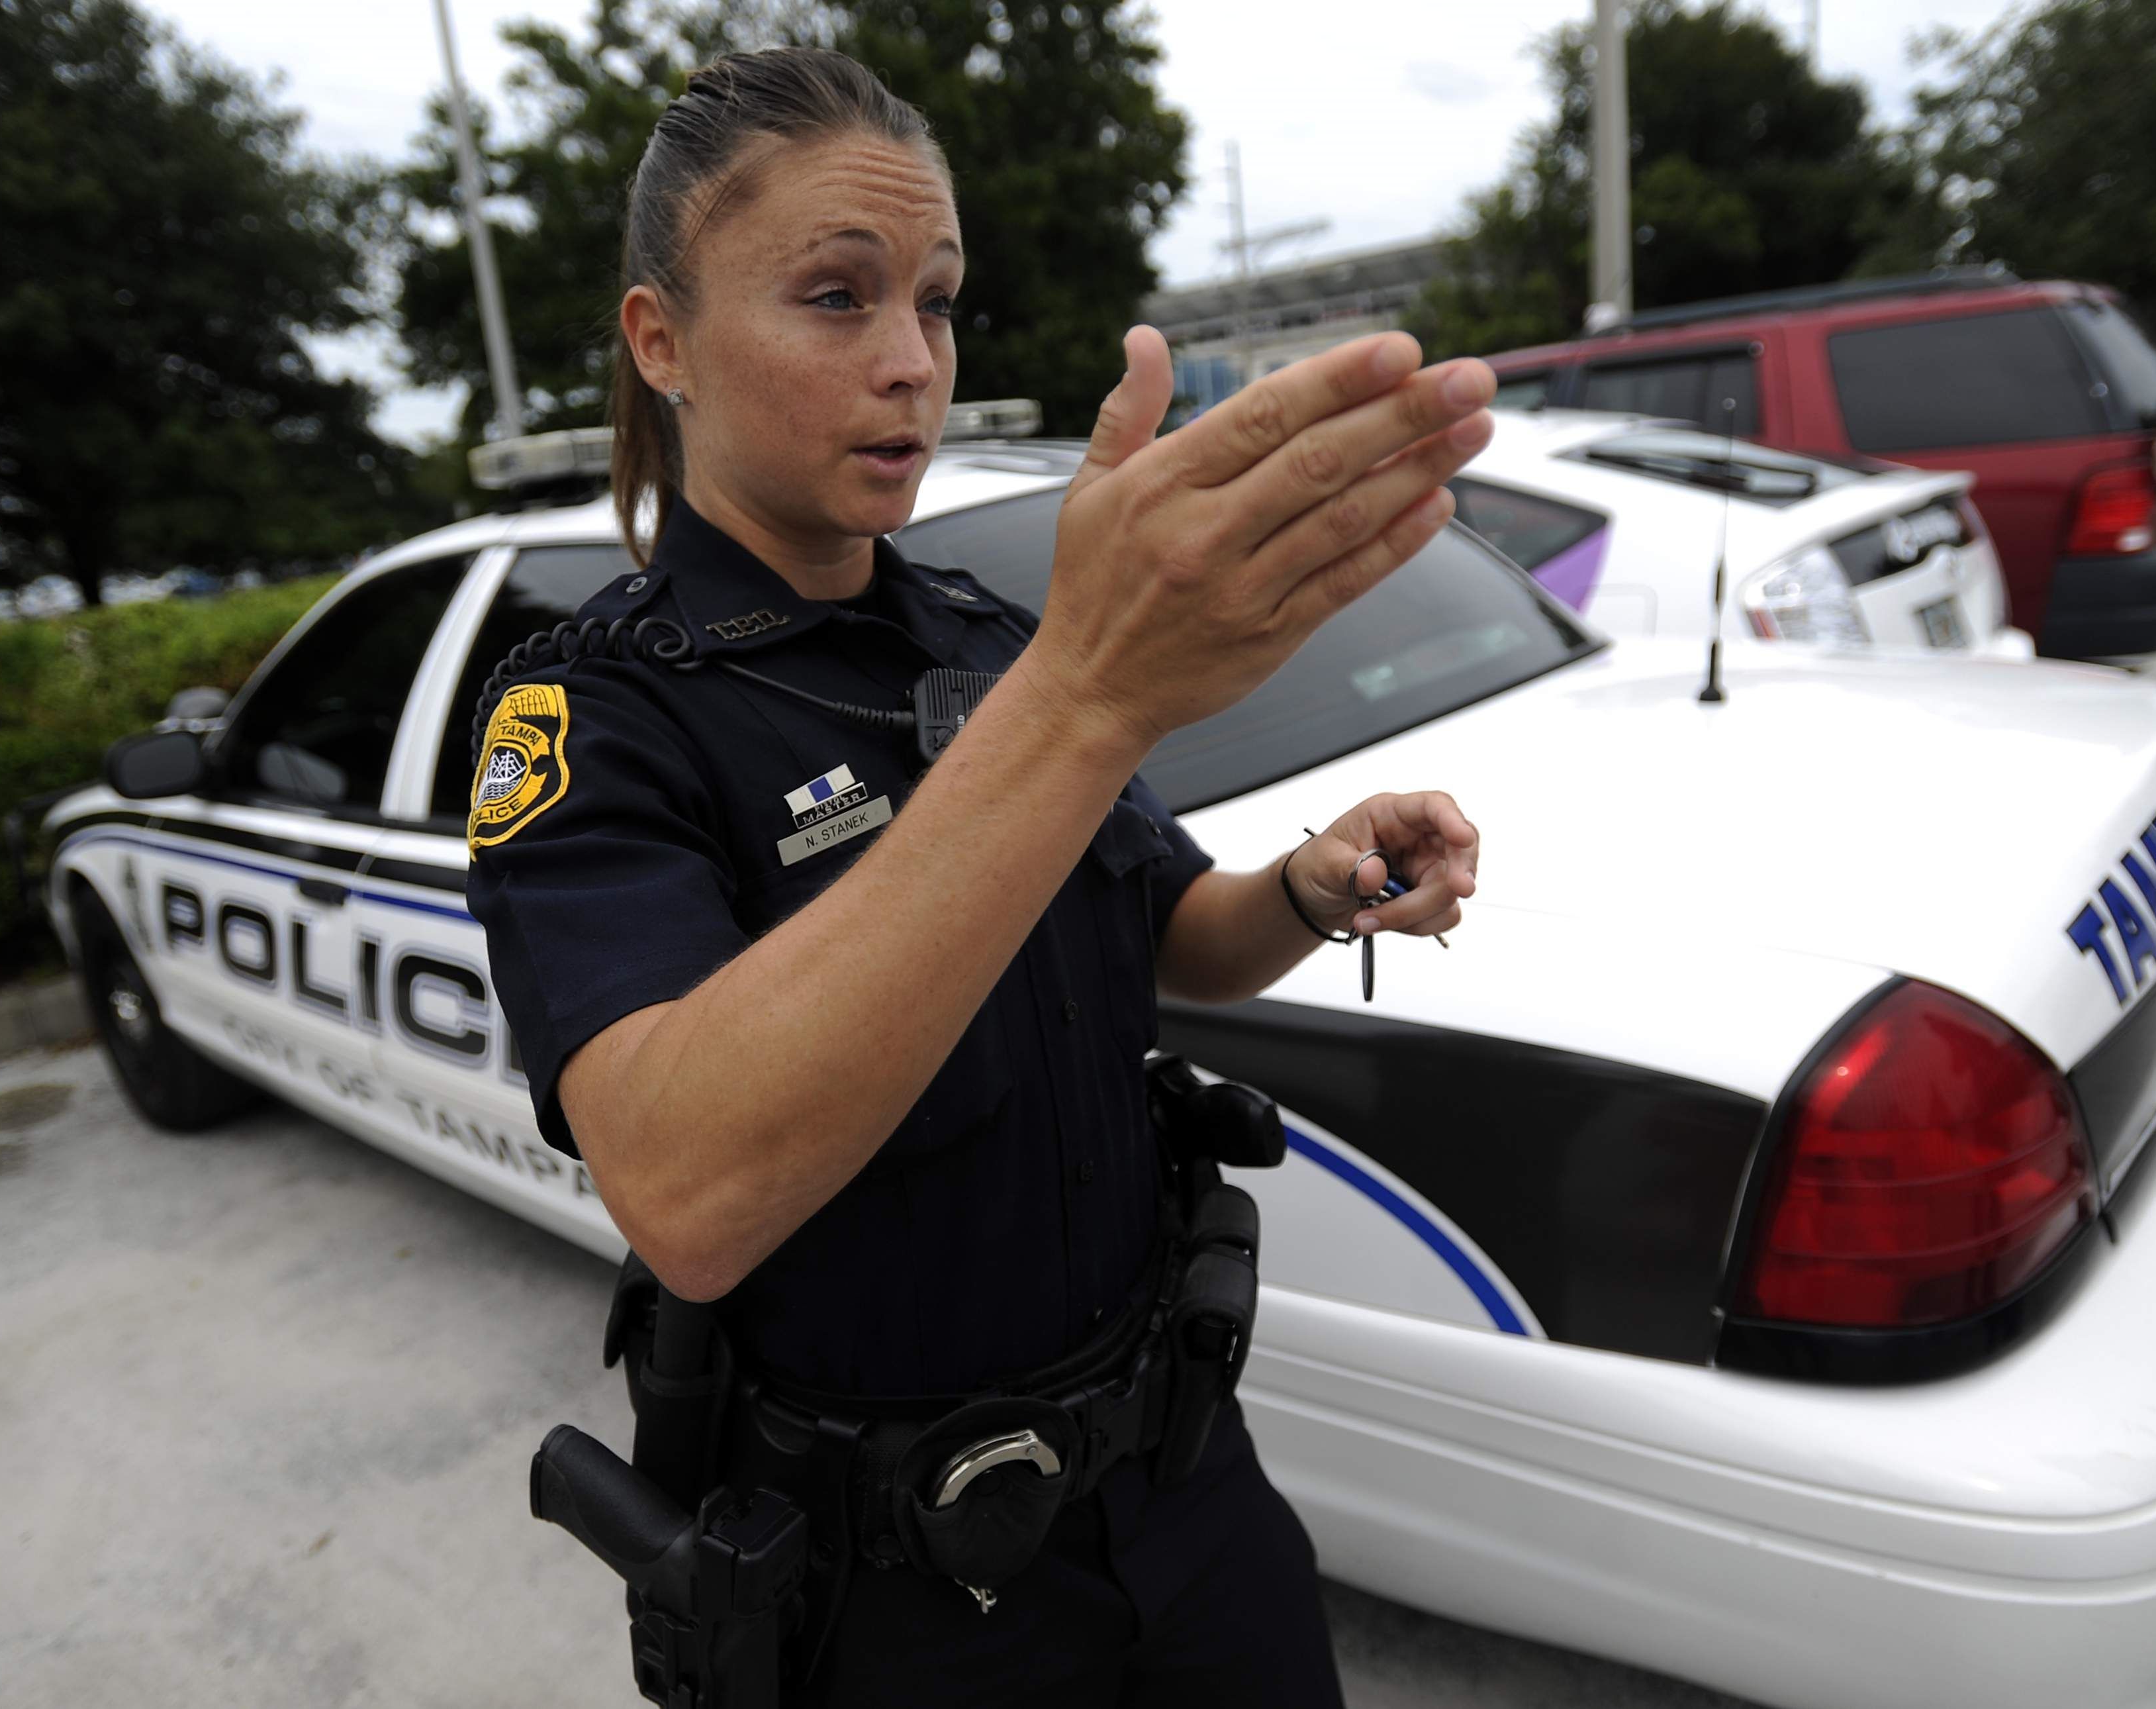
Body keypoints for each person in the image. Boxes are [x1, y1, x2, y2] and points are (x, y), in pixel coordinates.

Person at [467, 45, 1496, 1708]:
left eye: (936, 305)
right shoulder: (598, 714)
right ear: (662, 341)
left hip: (1182, 1483)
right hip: (907, 1593)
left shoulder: (988, 640)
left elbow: (1169, 934)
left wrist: (1310, 886)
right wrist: (1088, 694)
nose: (909, 365)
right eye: (834, 296)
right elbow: (688, 1190)